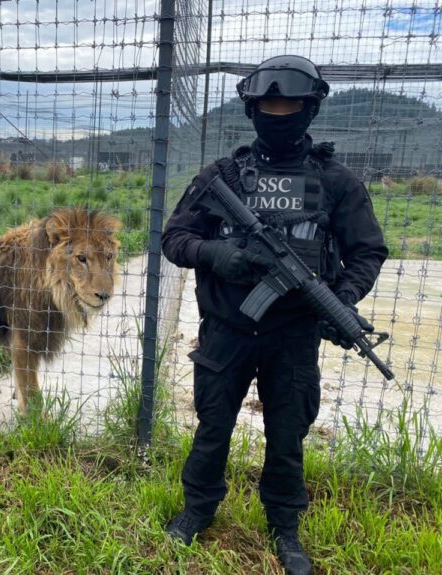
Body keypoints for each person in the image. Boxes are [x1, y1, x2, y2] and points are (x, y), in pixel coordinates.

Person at [161, 55, 388, 575]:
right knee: (213, 427)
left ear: (310, 110)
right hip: (227, 330)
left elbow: (368, 252)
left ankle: (285, 527)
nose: (278, 113)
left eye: (289, 105)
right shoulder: (221, 176)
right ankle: (197, 510)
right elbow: (176, 237)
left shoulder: (336, 182)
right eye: (269, 105)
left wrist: (344, 299)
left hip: (293, 337)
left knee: (287, 434)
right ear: (252, 109)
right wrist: (221, 256)